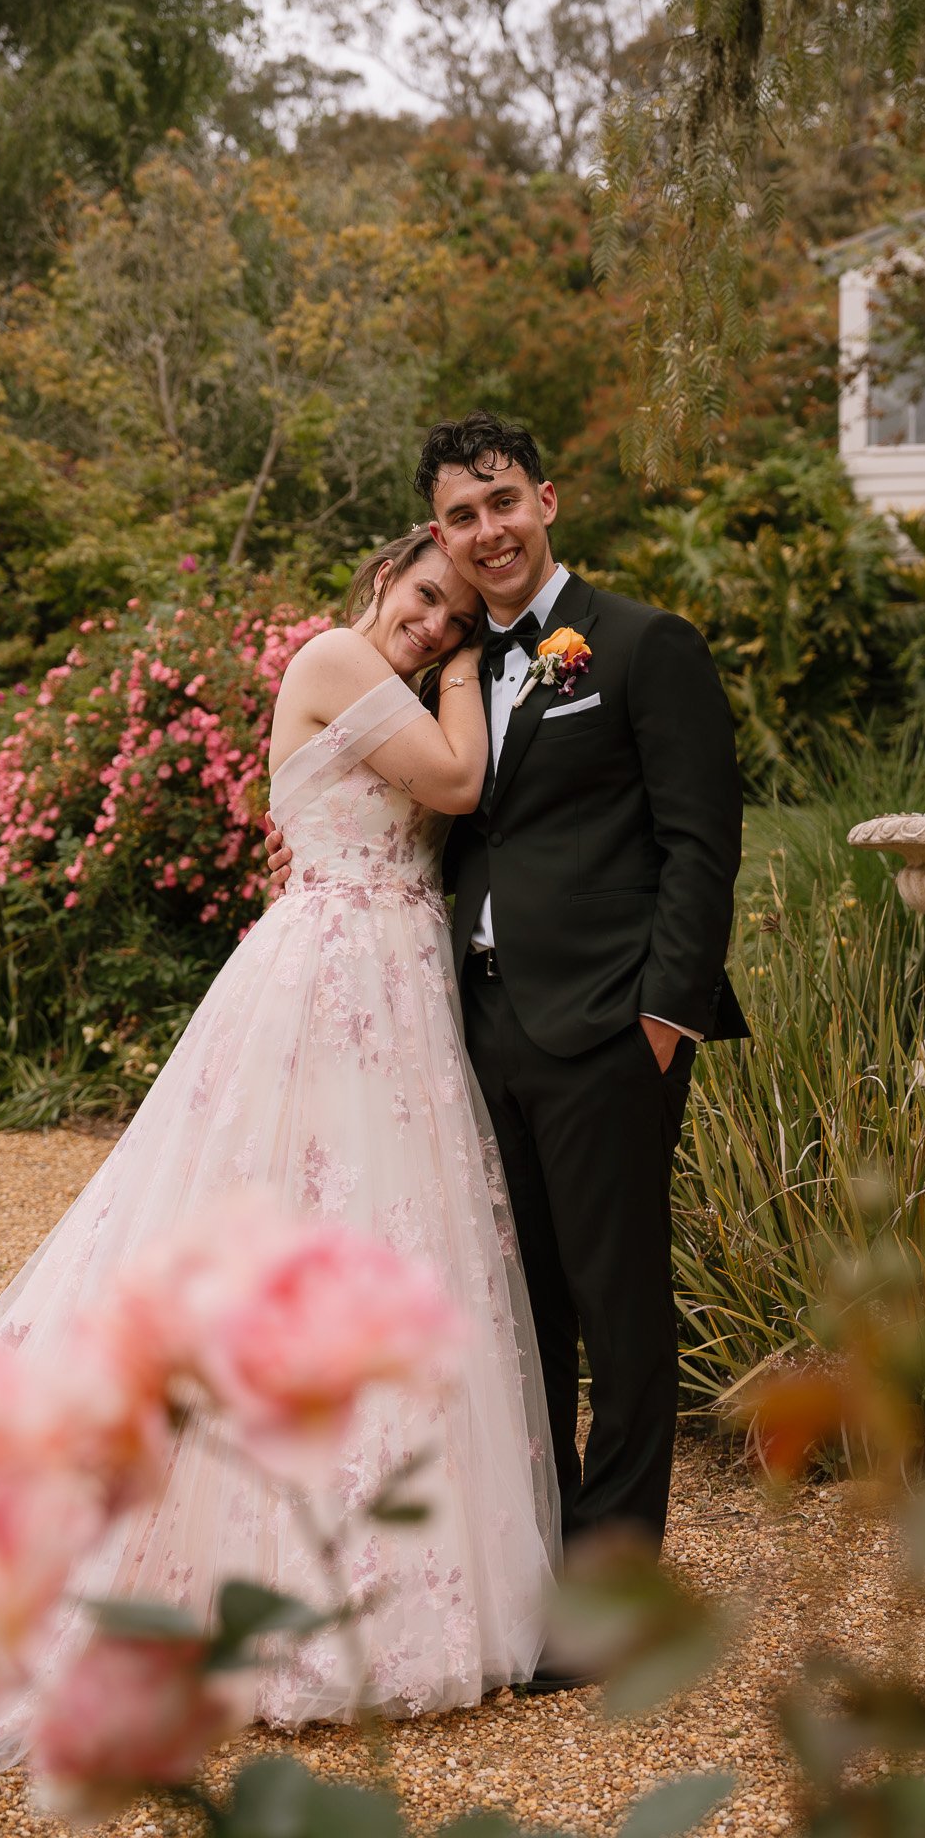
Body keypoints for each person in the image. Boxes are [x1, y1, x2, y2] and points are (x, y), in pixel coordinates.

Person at [0, 529, 557, 1807]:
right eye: (429, 599)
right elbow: (453, 782)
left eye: (452, 619)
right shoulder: (334, 654)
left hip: (394, 979)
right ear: (383, 577)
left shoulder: (369, 666)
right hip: (333, 980)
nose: (433, 625)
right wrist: (477, 664)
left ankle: (376, 1582)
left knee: (387, 1236)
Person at [269, 415, 745, 1691]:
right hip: (467, 1032)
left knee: (620, 1307)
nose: (488, 530)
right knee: (517, 1314)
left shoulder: (644, 646)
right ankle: (528, 1571)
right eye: (462, 516)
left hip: (607, 1030)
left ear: (548, 496)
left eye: (503, 502)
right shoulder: (442, 666)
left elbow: (702, 844)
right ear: (438, 535)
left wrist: (665, 1015)